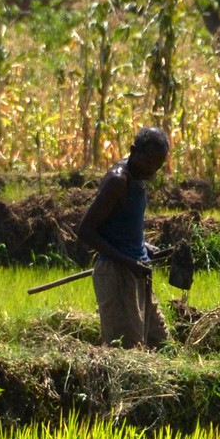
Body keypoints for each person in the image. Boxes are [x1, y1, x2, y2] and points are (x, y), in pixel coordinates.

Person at [76, 127, 170, 348]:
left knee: (161, 344)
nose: (152, 169)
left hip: (138, 271)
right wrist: (128, 261)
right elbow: (86, 230)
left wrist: (144, 247)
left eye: (158, 165)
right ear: (133, 151)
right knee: (127, 351)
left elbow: (122, 224)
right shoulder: (118, 181)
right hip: (117, 275)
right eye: (148, 162)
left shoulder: (139, 177)